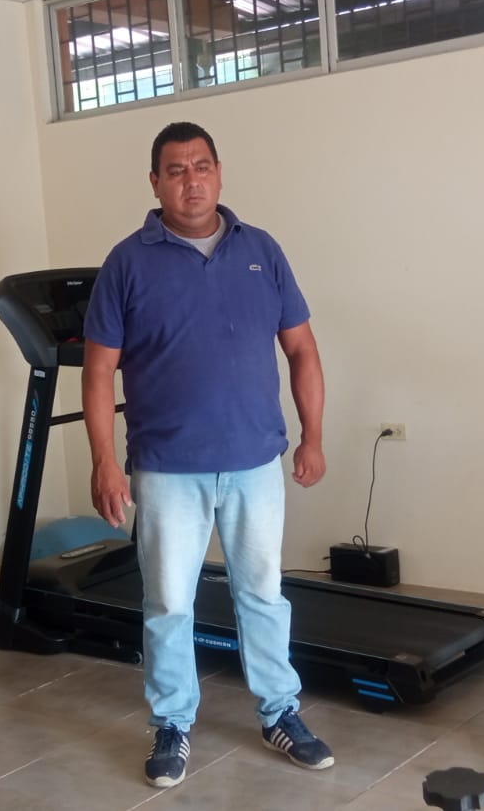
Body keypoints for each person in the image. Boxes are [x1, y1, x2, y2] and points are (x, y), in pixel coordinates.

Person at [82, 121, 334, 790]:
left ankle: (279, 712)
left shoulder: (262, 250)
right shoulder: (126, 262)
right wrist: (104, 461)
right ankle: (172, 722)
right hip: (167, 466)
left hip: (255, 461)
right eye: (175, 170)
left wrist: (312, 434)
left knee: (263, 595)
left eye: (201, 167)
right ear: (155, 182)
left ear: (219, 173)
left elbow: (302, 349)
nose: (190, 181)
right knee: (168, 602)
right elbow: (98, 371)